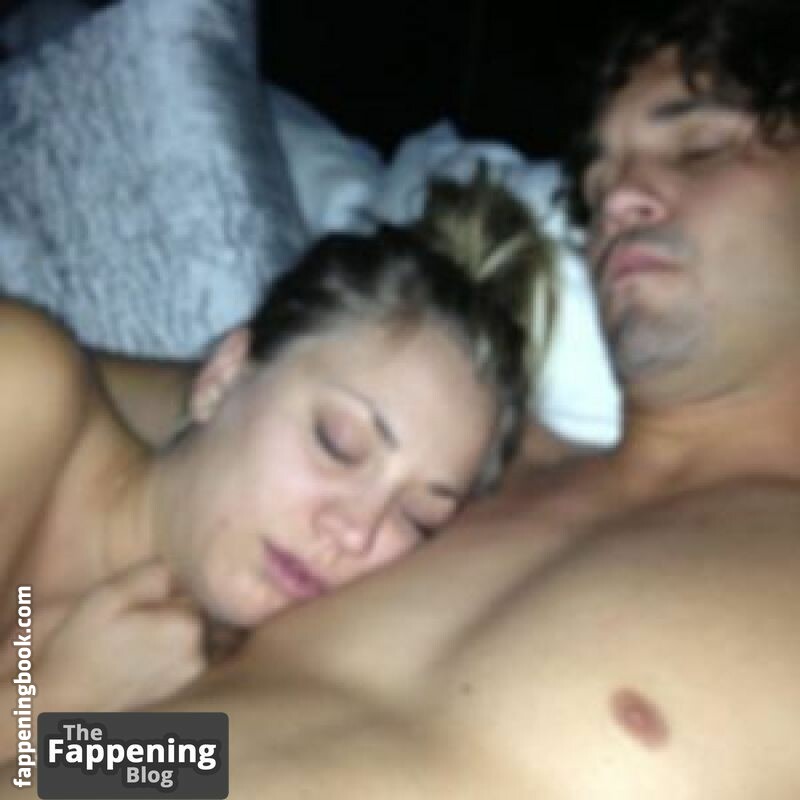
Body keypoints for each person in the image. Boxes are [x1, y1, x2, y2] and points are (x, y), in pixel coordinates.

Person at [80, 0, 797, 795]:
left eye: (698, 150)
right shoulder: (456, 455)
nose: (621, 200)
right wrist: (51, 742)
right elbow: (221, 754)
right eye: (596, 189)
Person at [0, 172, 555, 760]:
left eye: (417, 517)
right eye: (338, 443)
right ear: (224, 375)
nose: (354, 531)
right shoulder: (23, 388)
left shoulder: (212, 733)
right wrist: (46, 706)